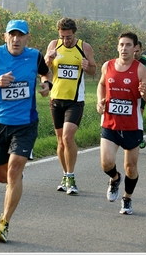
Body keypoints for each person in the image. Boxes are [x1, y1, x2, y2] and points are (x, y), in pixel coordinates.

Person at [0, 20, 53, 242]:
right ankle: (14, 179)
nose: (16, 39)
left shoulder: (35, 56)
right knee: (3, 177)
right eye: (12, 35)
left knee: (14, 169)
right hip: (0, 123)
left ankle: (4, 223)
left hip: (26, 124)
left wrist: (48, 85)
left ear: (27, 38)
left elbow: (46, 74)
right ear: (5, 36)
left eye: (20, 35)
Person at [96, 31, 146, 215]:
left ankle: (127, 198)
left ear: (135, 48)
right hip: (110, 123)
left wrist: (145, 92)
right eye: (121, 44)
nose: (124, 48)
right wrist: (100, 100)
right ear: (118, 47)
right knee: (106, 163)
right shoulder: (108, 66)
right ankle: (115, 178)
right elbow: (102, 84)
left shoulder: (140, 69)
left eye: (128, 45)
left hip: (132, 126)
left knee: (130, 167)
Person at [44, 17, 97, 195]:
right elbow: (45, 68)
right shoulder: (54, 44)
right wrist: (48, 59)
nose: (65, 40)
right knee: (60, 141)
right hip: (56, 98)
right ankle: (65, 175)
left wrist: (87, 65)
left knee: (67, 137)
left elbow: (93, 70)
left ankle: (72, 176)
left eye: (68, 37)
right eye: (62, 36)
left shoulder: (84, 47)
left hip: (75, 100)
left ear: (74, 34)